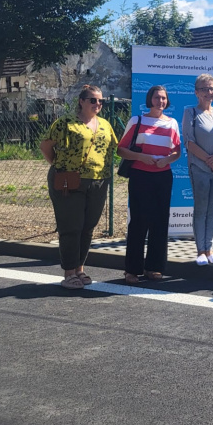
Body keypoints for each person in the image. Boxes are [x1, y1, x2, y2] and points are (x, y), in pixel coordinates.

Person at [41, 85, 118, 290]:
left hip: (98, 181)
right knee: (70, 227)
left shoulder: (104, 125)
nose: (98, 104)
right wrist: (60, 167)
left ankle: (79, 269)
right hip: (69, 180)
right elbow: (46, 146)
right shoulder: (65, 123)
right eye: (93, 100)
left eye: (100, 101)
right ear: (81, 101)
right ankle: (68, 273)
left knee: (87, 227)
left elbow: (114, 148)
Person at [117, 85, 182, 284]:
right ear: (149, 99)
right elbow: (121, 150)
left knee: (160, 222)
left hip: (163, 177)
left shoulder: (172, 123)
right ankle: (132, 270)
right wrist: (141, 157)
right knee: (138, 222)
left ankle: (154, 267)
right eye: (156, 98)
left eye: (163, 98)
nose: (160, 101)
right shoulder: (137, 120)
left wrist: (167, 160)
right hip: (140, 176)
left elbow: (177, 152)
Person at [182, 73, 213, 266]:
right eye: (204, 89)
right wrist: (209, 160)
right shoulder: (190, 112)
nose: (208, 92)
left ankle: (210, 250)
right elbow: (189, 142)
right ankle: (200, 251)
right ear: (196, 92)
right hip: (200, 168)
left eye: (211, 88)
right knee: (201, 208)